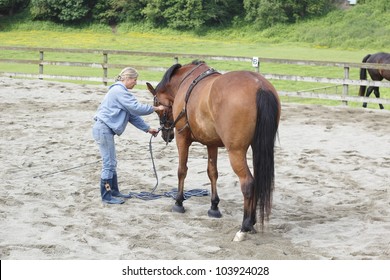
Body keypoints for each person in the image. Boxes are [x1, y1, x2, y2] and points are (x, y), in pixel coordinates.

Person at [92, 67, 165, 204]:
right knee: (108, 164)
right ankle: (106, 196)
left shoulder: (120, 91)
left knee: (112, 162)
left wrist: (148, 129)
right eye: (135, 79)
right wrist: (156, 108)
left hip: (104, 129)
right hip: (103, 129)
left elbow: (132, 115)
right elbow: (136, 108)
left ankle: (114, 191)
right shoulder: (119, 91)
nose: (136, 83)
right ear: (127, 78)